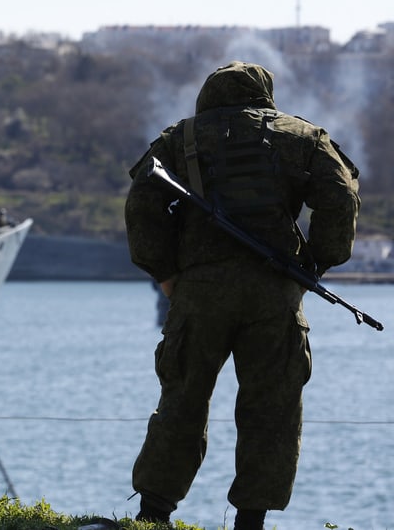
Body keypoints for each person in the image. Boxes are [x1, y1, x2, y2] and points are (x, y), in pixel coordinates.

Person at [123, 61, 360, 529]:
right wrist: (313, 267)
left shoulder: (179, 138)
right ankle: (251, 520)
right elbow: (340, 198)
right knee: (272, 409)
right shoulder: (304, 137)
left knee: (183, 400)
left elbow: (142, 204)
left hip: (200, 292)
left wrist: (167, 274)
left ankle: (153, 514)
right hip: (275, 294)